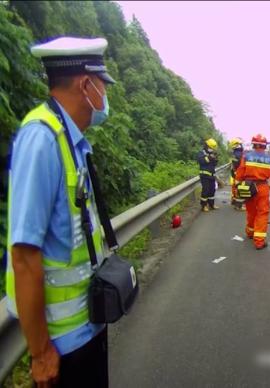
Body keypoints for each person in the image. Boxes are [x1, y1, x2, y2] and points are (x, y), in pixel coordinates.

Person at [5, 36, 116, 388]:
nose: (105, 96)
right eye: (103, 85)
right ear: (86, 85)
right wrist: (40, 353)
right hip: (63, 343)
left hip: (88, 325)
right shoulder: (41, 140)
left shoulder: (73, 141)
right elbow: (24, 254)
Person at [235, 134, 270, 250]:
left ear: (254, 144)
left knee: (251, 211)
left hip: (248, 187)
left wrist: (236, 188)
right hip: (262, 188)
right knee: (262, 213)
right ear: (264, 146)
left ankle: (250, 232)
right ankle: (259, 242)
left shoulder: (246, 157)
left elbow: (239, 173)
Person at [197, 138, 219, 212]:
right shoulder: (201, 153)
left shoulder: (212, 153)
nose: (211, 149)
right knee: (205, 190)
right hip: (204, 175)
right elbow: (201, 161)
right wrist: (210, 157)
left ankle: (211, 205)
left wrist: (215, 159)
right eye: (210, 148)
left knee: (212, 190)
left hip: (212, 175)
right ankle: (204, 206)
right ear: (207, 146)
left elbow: (214, 164)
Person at [227, 138, 245, 211]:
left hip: (234, 173)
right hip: (239, 174)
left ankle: (234, 201)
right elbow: (240, 166)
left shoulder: (234, 154)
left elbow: (233, 165)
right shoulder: (239, 154)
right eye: (240, 144)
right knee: (240, 189)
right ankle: (238, 206)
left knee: (235, 188)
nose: (241, 145)